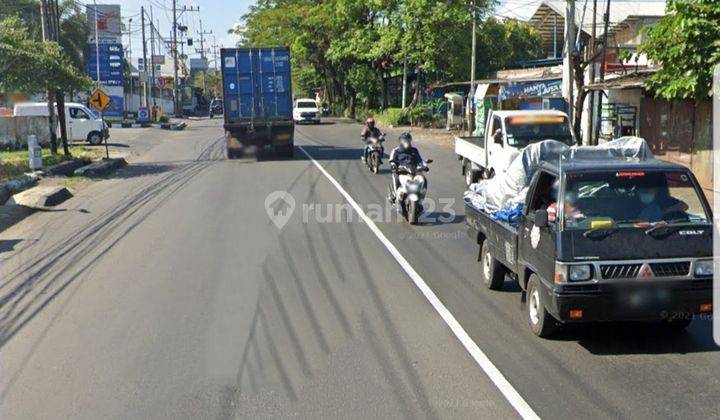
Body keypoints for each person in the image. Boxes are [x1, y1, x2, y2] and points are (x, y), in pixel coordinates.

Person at [388, 132, 427, 204]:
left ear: (410, 141)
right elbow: (391, 160)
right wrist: (393, 165)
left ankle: (421, 198)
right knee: (395, 177)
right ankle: (394, 195)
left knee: (423, 179)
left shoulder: (414, 150)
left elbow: (420, 160)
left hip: (413, 170)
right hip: (400, 170)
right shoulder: (396, 150)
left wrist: (424, 166)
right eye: (404, 140)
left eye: (408, 140)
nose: (406, 142)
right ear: (400, 141)